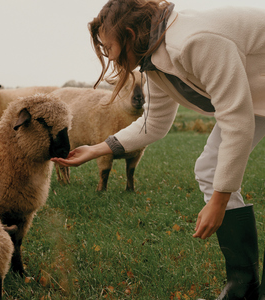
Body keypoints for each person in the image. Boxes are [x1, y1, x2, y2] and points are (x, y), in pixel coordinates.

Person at [52, 0, 265, 298]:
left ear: (128, 32)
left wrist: (218, 202)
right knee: (210, 168)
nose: (109, 56)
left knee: (216, 172)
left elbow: (236, 120)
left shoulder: (193, 41)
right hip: (256, 101)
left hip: (251, 105)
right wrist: (97, 149)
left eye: (108, 47)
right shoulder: (155, 62)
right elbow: (152, 124)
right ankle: (244, 288)